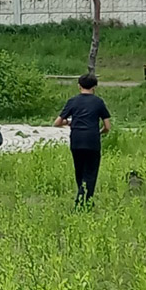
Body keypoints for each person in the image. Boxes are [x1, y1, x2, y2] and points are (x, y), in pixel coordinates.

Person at [54, 74, 111, 206]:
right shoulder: (98, 102)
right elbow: (107, 127)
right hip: (92, 140)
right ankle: (84, 201)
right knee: (90, 172)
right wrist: (100, 132)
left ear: (79, 86)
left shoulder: (72, 101)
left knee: (79, 171)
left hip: (76, 140)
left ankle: (82, 198)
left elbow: (57, 122)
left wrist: (69, 122)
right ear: (94, 87)